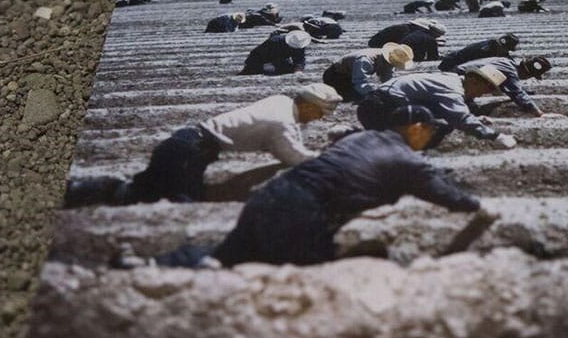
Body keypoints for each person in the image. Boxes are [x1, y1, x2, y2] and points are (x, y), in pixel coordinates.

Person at [154, 106, 487, 268]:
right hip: (302, 213)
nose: (431, 137)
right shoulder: (406, 159)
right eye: (430, 131)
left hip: (272, 195)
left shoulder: (362, 138)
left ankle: (157, 265)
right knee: (311, 273)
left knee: (229, 255)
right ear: (415, 127)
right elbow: (444, 194)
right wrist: (479, 208)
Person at [63, 85, 342, 207]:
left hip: (185, 143)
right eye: (320, 113)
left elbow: (289, 137)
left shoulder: (281, 101)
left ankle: (77, 190)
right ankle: (78, 192)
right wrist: (326, 159)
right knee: (185, 204)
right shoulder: (281, 123)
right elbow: (292, 155)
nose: (319, 119)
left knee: (141, 190)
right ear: (308, 105)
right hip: (191, 154)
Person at [355, 68, 519, 148]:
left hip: (376, 105)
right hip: (379, 109)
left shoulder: (449, 78)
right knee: (439, 127)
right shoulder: (452, 89)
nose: (481, 95)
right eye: (483, 91)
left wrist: (474, 118)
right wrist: (496, 136)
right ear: (475, 82)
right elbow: (459, 117)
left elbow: (440, 109)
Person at [449, 55, 562, 119]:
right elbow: (517, 93)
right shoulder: (510, 73)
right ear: (527, 74)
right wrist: (540, 114)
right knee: (466, 109)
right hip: (462, 79)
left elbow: (508, 86)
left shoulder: (506, 62)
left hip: (459, 72)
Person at [320, 42, 415, 101]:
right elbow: (359, 82)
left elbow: (387, 78)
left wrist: (391, 90)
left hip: (350, 76)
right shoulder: (365, 60)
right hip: (336, 77)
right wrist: (375, 94)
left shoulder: (386, 59)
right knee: (359, 97)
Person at [240, 28, 311, 75]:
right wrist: (264, 65)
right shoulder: (274, 41)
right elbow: (255, 54)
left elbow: (300, 60)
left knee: (289, 68)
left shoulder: (300, 44)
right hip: (261, 61)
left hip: (278, 61)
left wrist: (298, 70)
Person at [367, 18, 445, 62]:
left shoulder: (405, 29)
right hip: (378, 45)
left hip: (379, 44)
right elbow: (433, 57)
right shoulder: (405, 31)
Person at [438, 32, 520, 72]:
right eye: (507, 49)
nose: (507, 51)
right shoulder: (483, 51)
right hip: (452, 64)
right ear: (501, 46)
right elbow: (470, 66)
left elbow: (507, 58)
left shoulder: (496, 47)